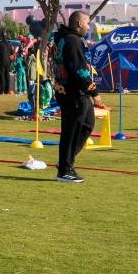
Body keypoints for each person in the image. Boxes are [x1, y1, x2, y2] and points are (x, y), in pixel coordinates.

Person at [52, 11, 102, 183]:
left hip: (73, 92)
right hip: (72, 93)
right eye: (88, 23)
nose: (89, 27)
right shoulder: (72, 41)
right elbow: (78, 69)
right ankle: (65, 170)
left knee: (87, 123)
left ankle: (66, 161)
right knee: (71, 130)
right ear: (79, 24)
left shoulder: (67, 38)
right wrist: (93, 91)